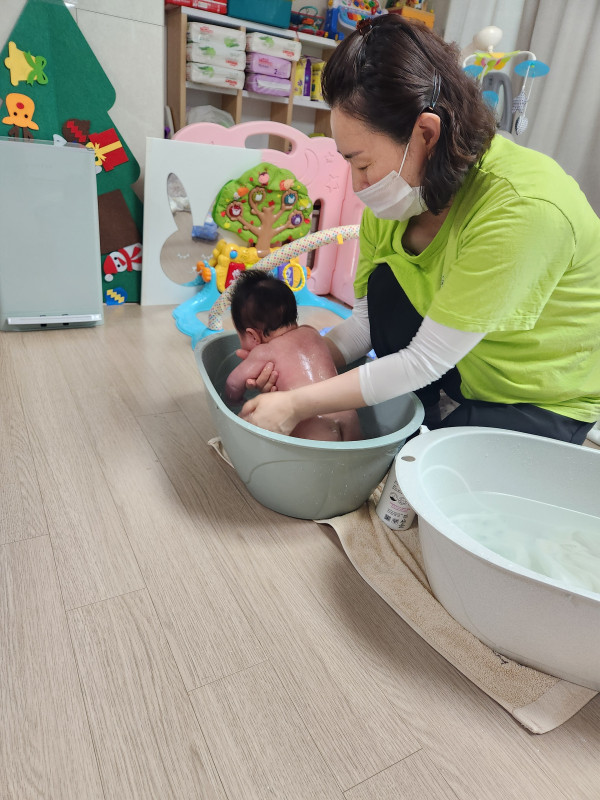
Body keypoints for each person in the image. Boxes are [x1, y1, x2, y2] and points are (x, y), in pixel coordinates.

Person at [239, 14, 600, 445]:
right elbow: (366, 325)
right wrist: (298, 357)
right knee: (387, 283)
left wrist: (297, 403)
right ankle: (431, 409)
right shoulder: (393, 199)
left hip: (538, 393)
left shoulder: (522, 208)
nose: (358, 185)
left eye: (363, 163)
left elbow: (424, 360)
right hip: (458, 360)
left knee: (430, 470)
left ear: (426, 133)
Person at [226, 269, 362, 441]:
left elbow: (233, 383)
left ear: (252, 336)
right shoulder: (312, 332)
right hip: (349, 417)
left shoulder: (263, 351)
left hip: (313, 427)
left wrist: (234, 401)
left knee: (249, 424)